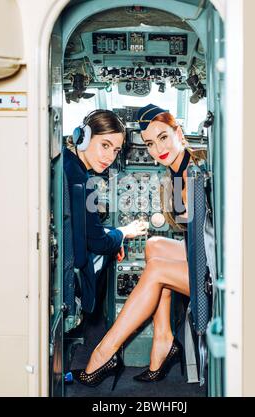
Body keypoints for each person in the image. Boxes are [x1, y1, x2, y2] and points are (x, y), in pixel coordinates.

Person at [72, 104, 206, 390]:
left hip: (221, 270)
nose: (157, 149)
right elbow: (190, 230)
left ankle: (103, 354)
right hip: (206, 253)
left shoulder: (200, 168)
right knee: (154, 245)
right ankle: (163, 341)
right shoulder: (176, 172)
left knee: (156, 269)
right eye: (149, 143)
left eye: (163, 137)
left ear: (178, 133)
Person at [64, 109, 148, 314]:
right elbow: (99, 243)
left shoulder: (65, 163)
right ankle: (92, 317)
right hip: (74, 263)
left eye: (116, 150)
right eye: (105, 145)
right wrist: (123, 233)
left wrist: (114, 234)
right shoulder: (82, 181)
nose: (110, 157)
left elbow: (85, 226)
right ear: (82, 138)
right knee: (107, 253)